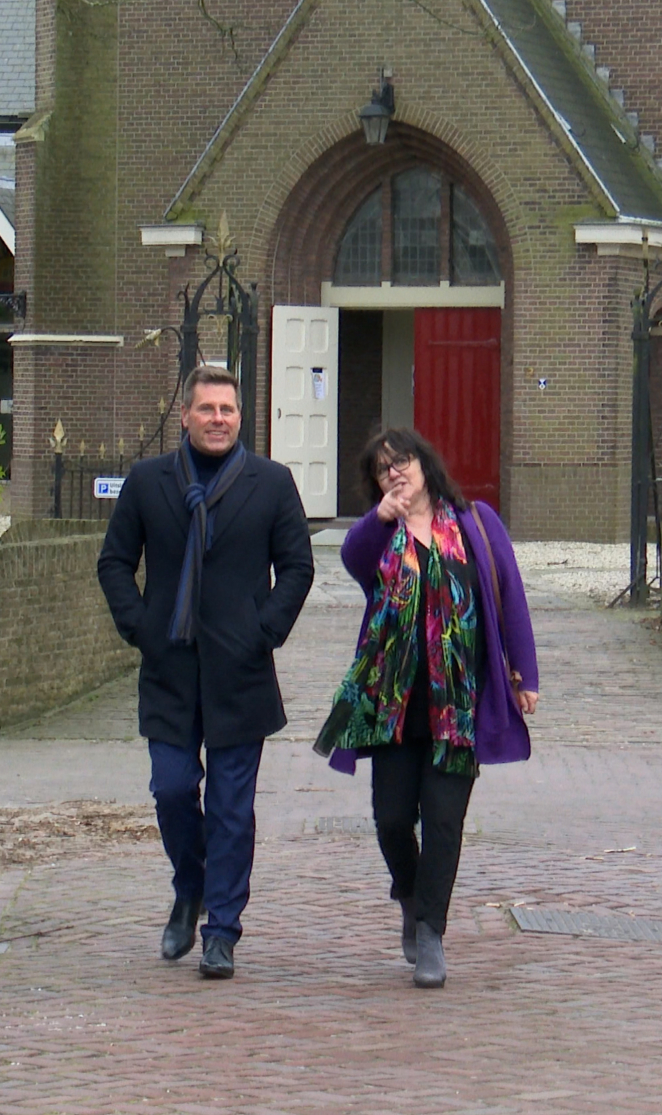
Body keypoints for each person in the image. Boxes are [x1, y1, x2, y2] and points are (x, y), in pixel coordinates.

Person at [98, 364, 316, 980]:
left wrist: (263, 630)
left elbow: (297, 567)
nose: (218, 419)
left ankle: (221, 928)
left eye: (228, 409)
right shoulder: (148, 482)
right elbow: (115, 563)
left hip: (239, 671)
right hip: (169, 668)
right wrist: (141, 627)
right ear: (186, 416)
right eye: (207, 409)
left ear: (240, 416)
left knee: (229, 807)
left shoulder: (271, 483)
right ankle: (188, 888)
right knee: (170, 790)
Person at [316, 427, 538, 988]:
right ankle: (410, 896)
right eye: (382, 468)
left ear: (425, 465)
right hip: (391, 705)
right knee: (392, 820)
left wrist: (524, 673)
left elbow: (510, 596)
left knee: (443, 821)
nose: (395, 472)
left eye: (403, 461)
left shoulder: (477, 524)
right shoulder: (378, 537)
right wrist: (382, 517)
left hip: (456, 704)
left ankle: (432, 932)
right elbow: (352, 557)